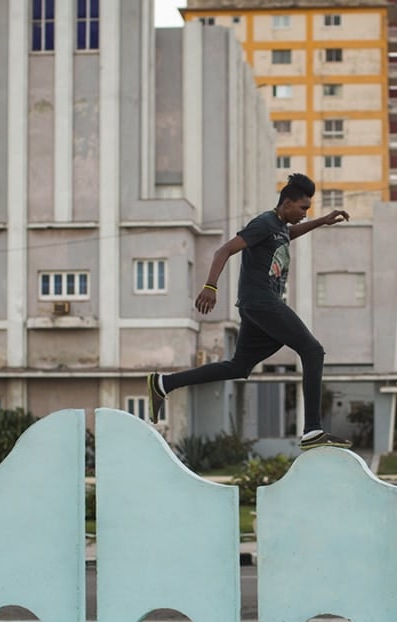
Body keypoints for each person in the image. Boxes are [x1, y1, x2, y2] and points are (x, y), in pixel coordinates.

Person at [147, 173, 352, 450]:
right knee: (312, 350)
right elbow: (224, 250)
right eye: (303, 208)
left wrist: (321, 221)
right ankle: (313, 430)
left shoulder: (279, 227)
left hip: (255, 306)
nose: (305, 213)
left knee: (239, 366)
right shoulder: (264, 223)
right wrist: (210, 286)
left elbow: (288, 234)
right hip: (261, 301)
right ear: (287, 202)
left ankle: (164, 383)